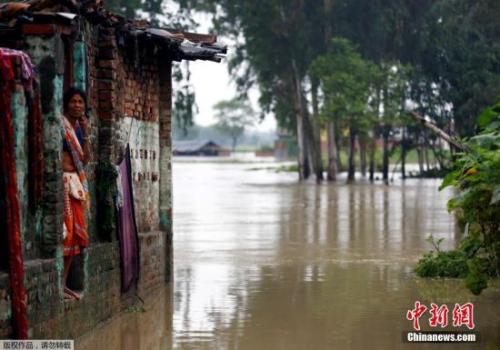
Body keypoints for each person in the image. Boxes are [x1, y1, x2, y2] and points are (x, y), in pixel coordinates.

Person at [61, 87, 91, 300]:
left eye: (81, 102)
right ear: (66, 104)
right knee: (66, 234)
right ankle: (59, 283)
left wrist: (87, 134)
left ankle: (63, 284)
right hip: (62, 183)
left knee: (77, 237)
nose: (77, 105)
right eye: (74, 101)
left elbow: (86, 160)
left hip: (76, 185)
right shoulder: (60, 127)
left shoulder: (79, 130)